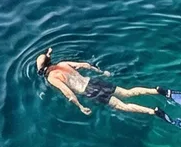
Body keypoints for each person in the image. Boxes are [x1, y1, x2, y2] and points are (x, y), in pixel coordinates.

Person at [37, 49, 171, 119]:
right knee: (127, 92)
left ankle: (153, 111)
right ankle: (156, 90)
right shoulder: (62, 64)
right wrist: (101, 72)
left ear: (42, 70)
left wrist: (80, 106)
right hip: (93, 81)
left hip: (89, 91)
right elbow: (85, 65)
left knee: (122, 106)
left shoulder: (52, 78)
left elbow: (67, 92)